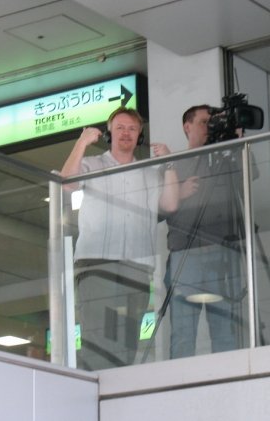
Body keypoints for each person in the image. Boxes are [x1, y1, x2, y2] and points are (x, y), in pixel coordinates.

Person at [60, 106, 178, 371]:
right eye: (120, 127)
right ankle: (93, 392)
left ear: (140, 135)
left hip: (136, 265)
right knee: (96, 335)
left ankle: (117, 392)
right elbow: (66, 183)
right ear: (109, 132)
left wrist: (169, 164)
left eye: (132, 129)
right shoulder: (93, 164)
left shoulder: (149, 171)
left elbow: (170, 204)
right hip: (96, 262)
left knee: (129, 337)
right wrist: (82, 142)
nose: (126, 133)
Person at [163, 104, 248, 359]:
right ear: (187, 127)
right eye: (203, 122)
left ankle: (229, 380)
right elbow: (156, 210)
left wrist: (237, 143)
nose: (209, 126)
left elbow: (248, 180)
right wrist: (179, 192)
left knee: (225, 328)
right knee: (183, 330)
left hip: (223, 251)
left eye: (212, 122)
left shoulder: (227, 155)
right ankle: (180, 384)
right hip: (186, 251)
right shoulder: (173, 163)